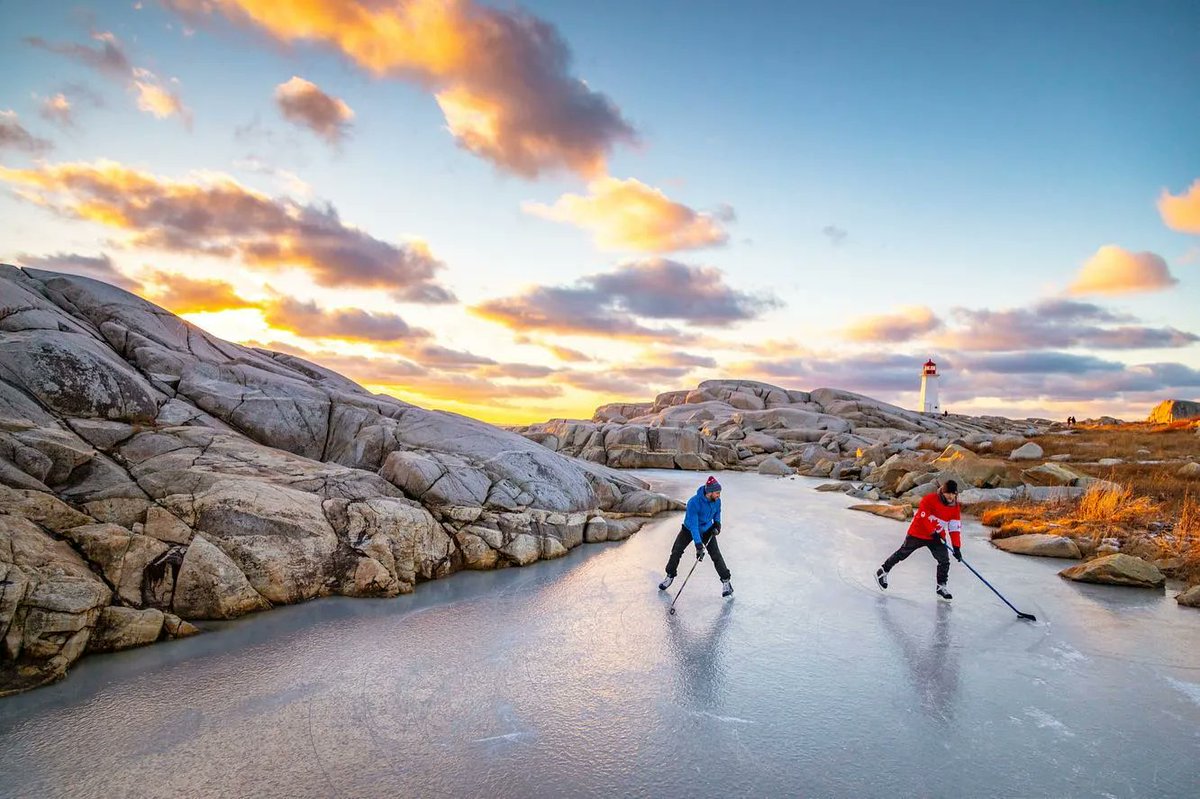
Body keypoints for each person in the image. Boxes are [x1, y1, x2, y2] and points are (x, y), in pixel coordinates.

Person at [874, 479, 962, 600]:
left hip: (937, 537)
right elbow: (923, 517)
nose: (951, 496)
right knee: (902, 554)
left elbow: (954, 528)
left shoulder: (955, 507)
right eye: (949, 493)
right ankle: (883, 571)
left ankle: (941, 586)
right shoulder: (929, 499)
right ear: (943, 492)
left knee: (944, 561)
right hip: (918, 533)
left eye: (954, 494)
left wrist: (957, 547)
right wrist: (932, 532)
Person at [658, 476, 733, 598]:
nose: (719, 495)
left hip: (707, 529)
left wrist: (717, 524)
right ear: (709, 492)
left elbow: (718, 511)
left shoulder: (717, 500)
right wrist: (698, 545)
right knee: (676, 551)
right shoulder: (694, 502)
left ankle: (726, 582)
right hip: (689, 529)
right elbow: (693, 525)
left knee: (716, 555)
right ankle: (669, 576)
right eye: (717, 493)